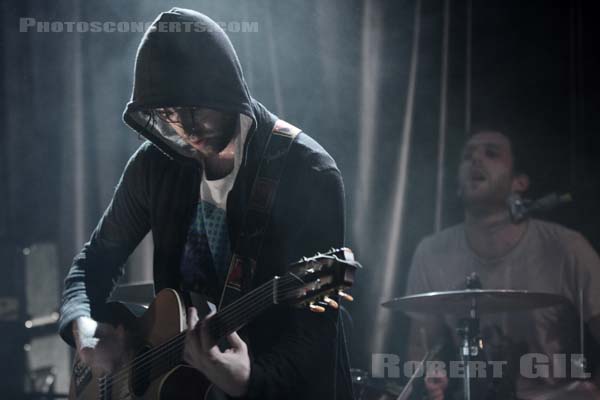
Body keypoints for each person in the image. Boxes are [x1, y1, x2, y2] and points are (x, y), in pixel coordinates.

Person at [58, 8, 353, 400]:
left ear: (225, 89)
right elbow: (93, 262)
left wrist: (248, 382)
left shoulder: (307, 172)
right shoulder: (153, 165)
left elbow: (315, 339)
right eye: (166, 113)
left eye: (194, 107)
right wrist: (84, 331)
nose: (184, 126)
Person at [405, 129, 600, 399]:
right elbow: (421, 347)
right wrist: (429, 378)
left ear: (519, 182)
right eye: (467, 155)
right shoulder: (430, 252)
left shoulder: (567, 247)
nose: (475, 160)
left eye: (491, 153)